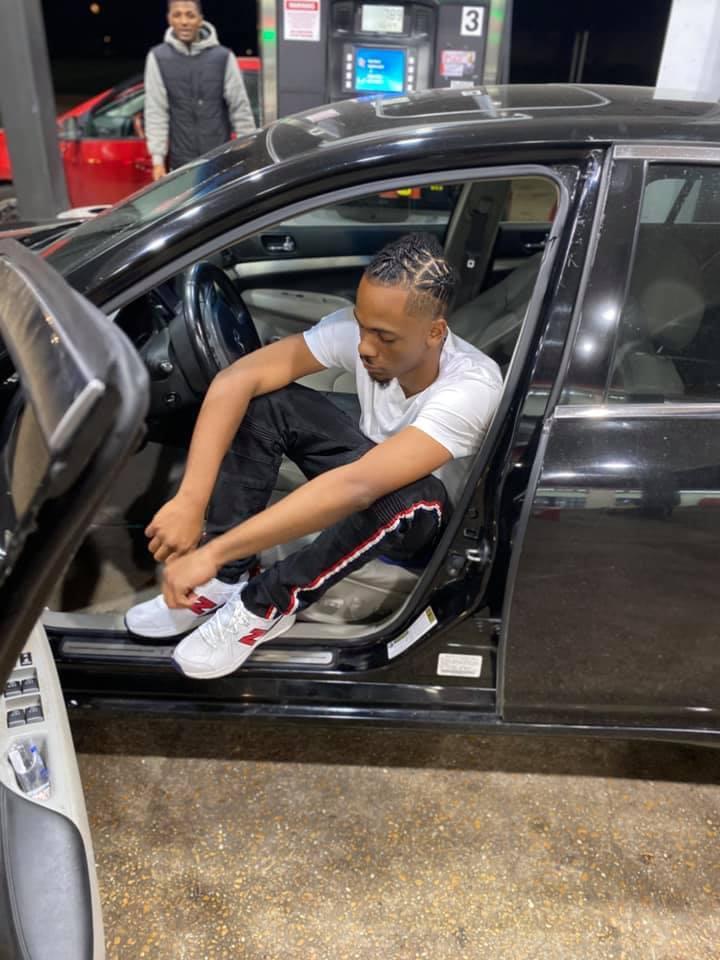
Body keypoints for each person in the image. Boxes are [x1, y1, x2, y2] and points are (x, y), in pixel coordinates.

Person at [126, 233, 503, 679]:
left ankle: (266, 605)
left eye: (384, 337)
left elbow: (358, 486)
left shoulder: (471, 388)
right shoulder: (365, 336)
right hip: (371, 474)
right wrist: (190, 500)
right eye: (362, 326)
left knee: (407, 495)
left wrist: (209, 551)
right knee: (267, 402)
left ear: (435, 333)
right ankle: (226, 579)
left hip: (431, 530)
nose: (364, 347)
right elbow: (237, 379)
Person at [144, 0, 256, 180]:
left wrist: (248, 147)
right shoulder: (158, 57)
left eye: (190, 15)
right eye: (177, 15)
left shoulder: (223, 56)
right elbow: (156, 110)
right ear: (169, 19)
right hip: (181, 162)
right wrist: (157, 159)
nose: (184, 22)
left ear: (200, 19)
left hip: (219, 159)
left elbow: (239, 107)